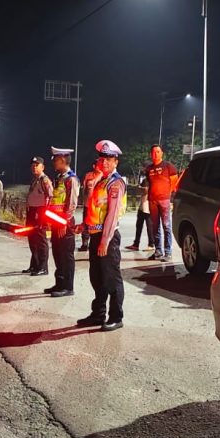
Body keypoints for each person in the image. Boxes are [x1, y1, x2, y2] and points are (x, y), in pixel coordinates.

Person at [77, 140, 127, 332]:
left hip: (108, 238)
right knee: (97, 277)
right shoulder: (101, 181)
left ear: (116, 162)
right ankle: (98, 313)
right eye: (102, 159)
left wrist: (105, 240)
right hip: (96, 234)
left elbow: (112, 215)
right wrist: (84, 225)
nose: (104, 162)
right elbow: (94, 208)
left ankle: (116, 316)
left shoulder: (116, 183)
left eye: (109, 159)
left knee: (112, 278)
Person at [45, 147, 79, 297]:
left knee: (66, 256)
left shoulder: (71, 179)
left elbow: (71, 203)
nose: (53, 162)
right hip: (56, 222)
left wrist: (64, 223)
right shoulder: (59, 178)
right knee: (57, 254)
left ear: (63, 160)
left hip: (65, 223)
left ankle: (68, 287)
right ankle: (59, 283)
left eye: (56, 160)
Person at [144, 144, 178, 261]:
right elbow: (149, 183)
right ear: (150, 154)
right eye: (153, 152)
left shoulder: (168, 166)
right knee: (155, 227)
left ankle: (168, 252)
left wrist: (168, 194)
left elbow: (174, 182)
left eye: (158, 152)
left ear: (162, 153)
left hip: (164, 200)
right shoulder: (149, 169)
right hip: (152, 200)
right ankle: (158, 251)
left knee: (166, 226)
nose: (155, 154)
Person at [24, 156, 54, 276]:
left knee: (41, 240)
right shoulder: (34, 180)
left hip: (40, 212)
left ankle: (43, 267)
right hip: (32, 212)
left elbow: (51, 196)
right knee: (32, 239)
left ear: (43, 167)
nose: (34, 167)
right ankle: (34, 265)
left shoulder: (44, 180)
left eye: (37, 165)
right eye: (33, 165)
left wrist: (44, 214)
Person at [78, 157, 105, 252]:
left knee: (96, 225)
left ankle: (97, 242)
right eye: (98, 165)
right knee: (85, 223)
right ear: (94, 166)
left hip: (98, 206)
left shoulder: (104, 176)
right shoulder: (88, 175)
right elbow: (84, 188)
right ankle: (85, 243)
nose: (100, 166)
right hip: (87, 204)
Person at [125, 171, 153, 251]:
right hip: (142, 205)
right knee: (139, 225)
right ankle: (136, 244)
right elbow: (140, 190)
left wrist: (140, 188)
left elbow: (146, 190)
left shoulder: (151, 180)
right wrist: (140, 188)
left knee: (149, 226)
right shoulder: (145, 180)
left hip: (148, 206)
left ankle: (151, 244)